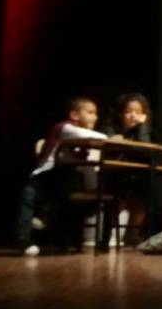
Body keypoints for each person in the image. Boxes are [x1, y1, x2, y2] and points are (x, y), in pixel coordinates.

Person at [15, 97, 109, 256]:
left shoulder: (87, 141)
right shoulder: (65, 128)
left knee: (75, 189)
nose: (95, 117)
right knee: (28, 198)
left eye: (96, 113)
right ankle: (24, 239)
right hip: (46, 175)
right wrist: (108, 138)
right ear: (74, 115)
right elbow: (97, 137)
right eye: (90, 112)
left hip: (64, 181)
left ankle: (47, 217)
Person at [100, 93, 154, 247]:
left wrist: (142, 127)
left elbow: (145, 149)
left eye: (138, 112)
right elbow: (111, 144)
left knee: (143, 190)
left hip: (135, 174)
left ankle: (133, 235)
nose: (133, 116)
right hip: (113, 173)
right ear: (120, 113)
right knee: (117, 193)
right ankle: (107, 237)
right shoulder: (110, 128)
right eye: (128, 111)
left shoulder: (142, 130)